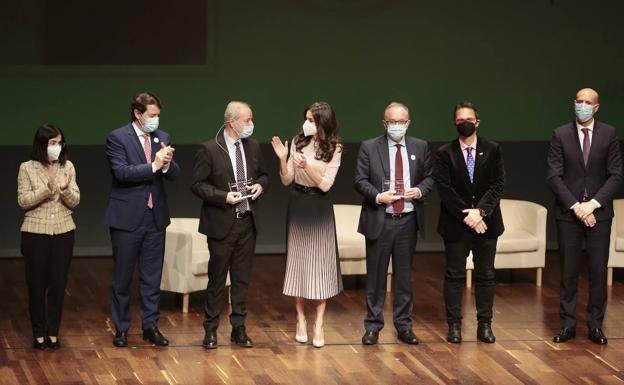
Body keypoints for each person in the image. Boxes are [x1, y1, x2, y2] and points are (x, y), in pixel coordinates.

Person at [547, 88, 623, 345]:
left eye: (588, 102)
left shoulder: (609, 134)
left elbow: (616, 175)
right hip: (569, 215)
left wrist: (592, 205)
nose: (583, 106)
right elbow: (554, 176)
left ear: (597, 107)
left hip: (599, 215)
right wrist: (576, 207)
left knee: (598, 272)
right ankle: (568, 325)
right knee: (568, 272)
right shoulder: (560, 134)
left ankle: (595, 326)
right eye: (579, 101)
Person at [104, 92, 180, 347]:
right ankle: (122, 328)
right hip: (127, 218)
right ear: (137, 114)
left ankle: (150, 326)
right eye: (151, 116)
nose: (156, 120)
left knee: (152, 277)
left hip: (154, 218)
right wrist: (154, 166)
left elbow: (174, 174)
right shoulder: (117, 138)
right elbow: (121, 172)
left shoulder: (163, 137)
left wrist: (167, 165)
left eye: (158, 115)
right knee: (123, 277)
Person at [354, 102, 433, 345]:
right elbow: (359, 180)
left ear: (408, 123)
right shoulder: (369, 147)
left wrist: (419, 191)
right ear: (384, 123)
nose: (397, 126)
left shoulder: (420, 147)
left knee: (403, 278)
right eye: (392, 122)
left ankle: (404, 326)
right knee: (376, 278)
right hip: (381, 218)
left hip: (407, 220)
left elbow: (429, 177)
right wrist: (378, 196)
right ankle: (373, 326)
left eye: (401, 122)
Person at [191, 101, 269, 349]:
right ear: (231, 122)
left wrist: (261, 185)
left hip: (247, 222)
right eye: (247, 120)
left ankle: (239, 329)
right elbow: (197, 184)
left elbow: (264, 175)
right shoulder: (209, 149)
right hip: (222, 223)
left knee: (242, 280)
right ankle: (211, 330)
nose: (251, 125)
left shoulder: (254, 147)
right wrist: (223, 196)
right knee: (217, 280)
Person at [271, 101, 343, 348]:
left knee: (321, 265)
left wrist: (308, 167)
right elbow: (287, 179)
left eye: (311, 120)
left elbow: (325, 184)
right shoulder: (298, 141)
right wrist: (283, 159)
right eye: (306, 119)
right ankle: (300, 318)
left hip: (319, 205)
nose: (307, 123)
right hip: (298, 203)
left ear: (323, 122)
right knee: (299, 263)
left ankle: (319, 323)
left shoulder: (335, 147)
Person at [433, 102, 505, 344]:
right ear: (455, 123)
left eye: (469, 119)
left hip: (486, 224)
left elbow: (497, 184)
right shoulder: (444, 153)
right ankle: (454, 326)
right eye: (460, 119)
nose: (465, 122)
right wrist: (468, 216)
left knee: (486, 275)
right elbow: (445, 189)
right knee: (454, 275)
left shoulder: (492, 149)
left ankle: (484, 326)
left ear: (477, 122)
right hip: (456, 225)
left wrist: (480, 213)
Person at [17, 123, 80, 350]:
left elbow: (75, 201)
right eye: (52, 143)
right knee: (36, 285)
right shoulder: (27, 168)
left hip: (63, 231)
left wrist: (63, 189)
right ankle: (38, 333)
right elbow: (23, 201)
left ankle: (53, 333)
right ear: (42, 144)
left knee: (58, 284)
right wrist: (47, 188)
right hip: (35, 232)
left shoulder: (68, 166)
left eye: (59, 142)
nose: (56, 147)